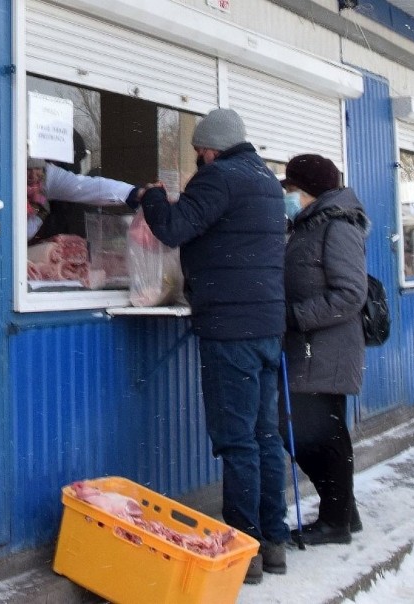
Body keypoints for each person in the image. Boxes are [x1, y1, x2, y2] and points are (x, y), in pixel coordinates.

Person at [133, 108, 290, 584]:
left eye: (199, 148)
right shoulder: (267, 181)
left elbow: (175, 229)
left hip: (231, 330)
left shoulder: (218, 178)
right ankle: (273, 541)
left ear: (211, 147)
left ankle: (244, 548)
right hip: (266, 324)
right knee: (265, 438)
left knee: (237, 441)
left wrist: (155, 199)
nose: (198, 156)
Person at [279, 154, 369, 546]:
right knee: (316, 432)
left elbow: (351, 293)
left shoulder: (337, 226)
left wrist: (297, 316)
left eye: (292, 189)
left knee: (318, 434)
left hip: (325, 347)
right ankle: (343, 513)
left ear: (309, 190)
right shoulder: (310, 223)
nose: (288, 195)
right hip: (311, 346)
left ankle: (336, 521)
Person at [27, 131, 138, 243]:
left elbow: (88, 187)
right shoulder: (15, 185)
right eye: (27, 169)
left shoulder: (48, 178)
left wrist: (134, 193)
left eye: (37, 169)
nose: (33, 175)